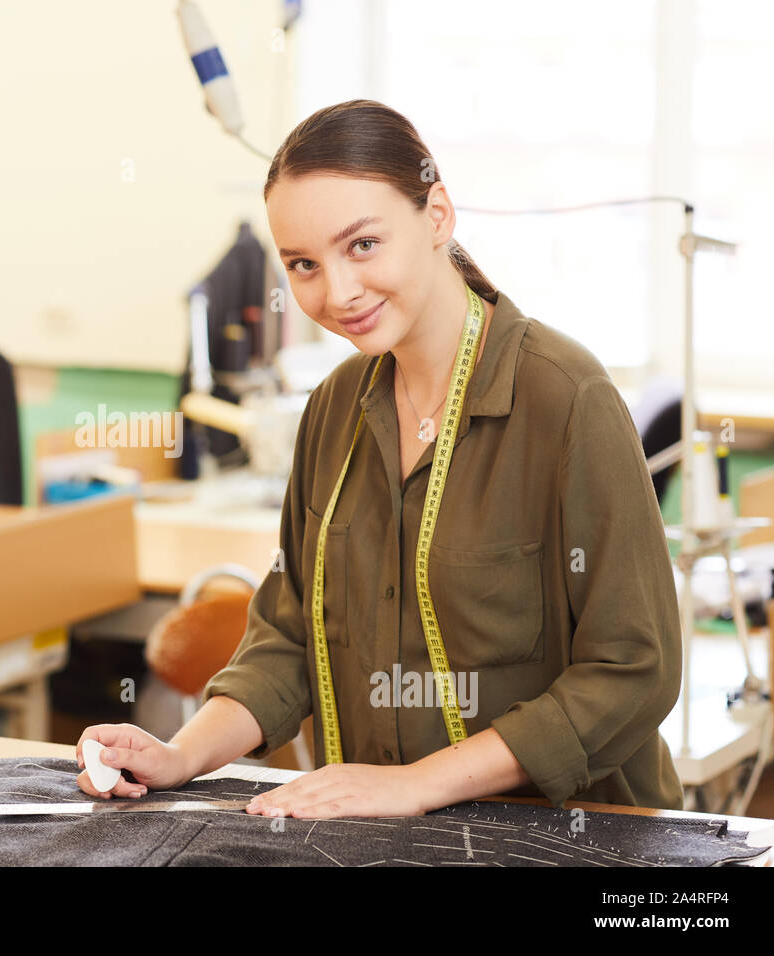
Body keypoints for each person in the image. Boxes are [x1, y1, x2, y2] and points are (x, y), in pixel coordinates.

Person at [75, 100, 683, 816]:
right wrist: (180, 754)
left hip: (577, 839)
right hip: (387, 842)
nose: (337, 293)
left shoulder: (566, 400)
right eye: (303, 265)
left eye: (362, 244)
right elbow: (289, 637)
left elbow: (634, 672)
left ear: (437, 216)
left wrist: (419, 783)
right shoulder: (334, 409)